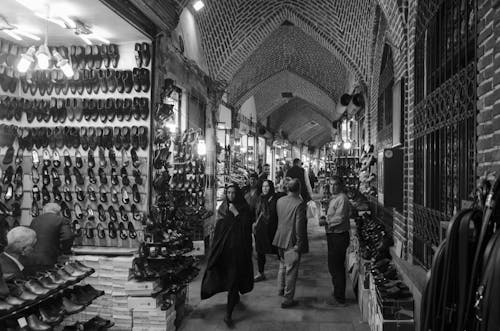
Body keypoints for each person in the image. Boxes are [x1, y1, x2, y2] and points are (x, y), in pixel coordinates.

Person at [201, 184, 254, 328]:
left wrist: (236, 213)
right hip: (225, 251)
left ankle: (228, 314)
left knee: (233, 280)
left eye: (233, 193)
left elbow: (247, 226)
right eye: (228, 193)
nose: (231, 196)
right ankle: (233, 298)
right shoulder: (223, 207)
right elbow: (220, 227)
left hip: (239, 251)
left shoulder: (243, 208)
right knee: (230, 279)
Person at [273, 178, 309, 308]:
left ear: (288, 188)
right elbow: (300, 225)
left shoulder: (280, 201)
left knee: (282, 265)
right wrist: (299, 243)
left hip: (279, 237)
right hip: (291, 241)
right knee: (291, 270)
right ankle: (288, 299)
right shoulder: (299, 203)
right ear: (299, 189)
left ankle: (280, 289)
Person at [319, 176, 351, 306]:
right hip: (332, 235)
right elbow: (332, 215)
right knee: (332, 266)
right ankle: (337, 291)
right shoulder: (334, 198)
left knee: (337, 266)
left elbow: (340, 218)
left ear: (341, 186)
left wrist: (326, 221)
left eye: (335, 184)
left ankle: (340, 296)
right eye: (331, 184)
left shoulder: (342, 199)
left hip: (339, 236)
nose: (332, 187)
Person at [25, 203, 74, 273]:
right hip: (49, 258)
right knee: (49, 281)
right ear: (59, 212)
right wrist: (64, 250)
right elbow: (68, 237)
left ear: (44, 210)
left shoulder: (35, 220)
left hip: (30, 258)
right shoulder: (61, 220)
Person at [253, 180, 281, 282]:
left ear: (271, 187)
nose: (265, 188)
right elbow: (256, 212)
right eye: (263, 186)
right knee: (260, 251)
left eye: (267, 186)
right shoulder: (260, 199)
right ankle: (261, 272)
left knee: (278, 250)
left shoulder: (276, 199)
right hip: (261, 229)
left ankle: (284, 271)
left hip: (273, 228)